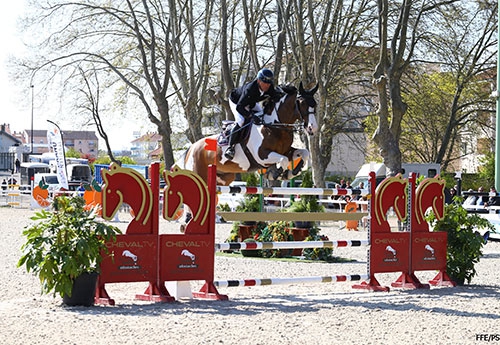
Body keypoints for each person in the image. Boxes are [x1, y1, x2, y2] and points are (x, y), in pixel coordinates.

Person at [225, 68, 282, 160]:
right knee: (241, 121)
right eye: (265, 83)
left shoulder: (269, 86)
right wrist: (250, 115)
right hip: (237, 102)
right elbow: (240, 107)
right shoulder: (250, 89)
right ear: (259, 81)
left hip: (251, 102)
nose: (267, 86)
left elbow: (275, 95)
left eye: (269, 83)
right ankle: (230, 147)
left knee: (263, 116)